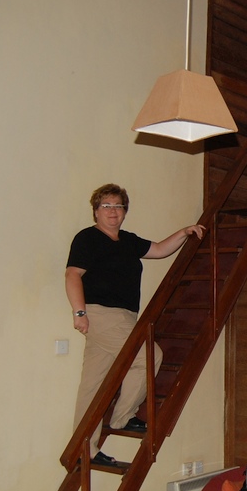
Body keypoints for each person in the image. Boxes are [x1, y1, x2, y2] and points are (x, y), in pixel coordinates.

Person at [65, 183, 205, 466]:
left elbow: (159, 249)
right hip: (102, 314)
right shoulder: (88, 238)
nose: (112, 211)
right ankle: (123, 417)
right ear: (96, 211)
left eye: (118, 206)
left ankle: (83, 450)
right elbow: (72, 274)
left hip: (126, 316)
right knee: (149, 357)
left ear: (125, 211)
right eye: (106, 206)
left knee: (93, 385)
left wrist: (183, 232)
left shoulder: (127, 241)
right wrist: (79, 313)